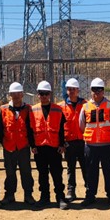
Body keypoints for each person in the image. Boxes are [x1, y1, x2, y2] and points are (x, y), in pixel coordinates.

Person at [79, 77, 110, 207]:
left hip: (107, 145)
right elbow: (82, 125)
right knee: (91, 172)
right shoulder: (85, 107)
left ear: (103, 91)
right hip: (91, 146)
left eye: (99, 90)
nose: (97, 92)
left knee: (109, 172)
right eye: (94, 90)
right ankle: (90, 196)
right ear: (91, 91)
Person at [30, 80, 69, 210]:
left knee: (57, 173)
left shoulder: (58, 109)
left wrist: (62, 145)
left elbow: (62, 129)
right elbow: (30, 129)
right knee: (42, 174)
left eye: (46, 94)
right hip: (39, 148)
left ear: (50, 94)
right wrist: (32, 146)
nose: (44, 96)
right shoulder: (33, 110)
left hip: (54, 148)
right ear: (38, 95)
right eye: (41, 94)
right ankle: (44, 197)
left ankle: (60, 197)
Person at [0, 82, 36, 205]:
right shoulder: (4, 109)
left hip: (23, 146)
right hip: (9, 146)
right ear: (10, 95)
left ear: (22, 94)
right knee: (10, 173)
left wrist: (32, 145)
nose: (16, 96)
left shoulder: (28, 109)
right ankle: (9, 195)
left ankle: (28, 195)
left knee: (26, 172)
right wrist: (3, 143)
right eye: (13, 94)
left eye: (18, 93)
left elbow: (31, 129)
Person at [58, 78, 87, 202]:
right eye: (69, 89)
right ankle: (71, 190)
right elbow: (59, 126)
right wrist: (62, 142)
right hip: (69, 142)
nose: (71, 92)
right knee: (70, 167)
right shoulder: (61, 106)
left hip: (83, 141)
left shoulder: (85, 104)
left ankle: (89, 189)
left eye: (73, 89)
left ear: (78, 90)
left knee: (85, 166)